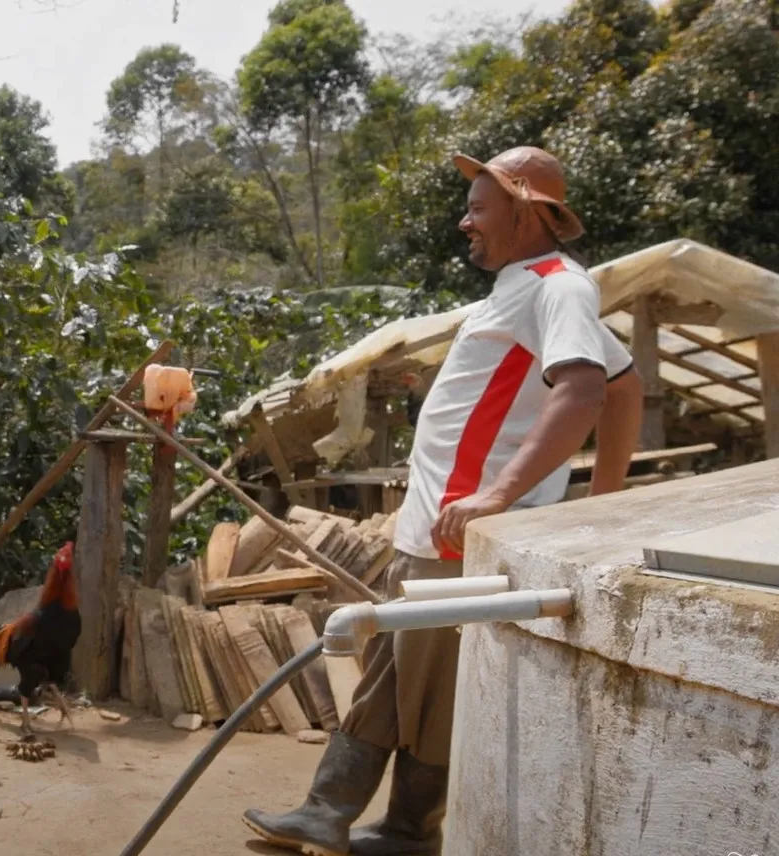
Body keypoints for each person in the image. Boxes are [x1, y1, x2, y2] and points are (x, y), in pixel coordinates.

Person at [243, 146, 642, 855]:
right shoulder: (527, 288)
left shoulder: (559, 286)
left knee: (425, 693)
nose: (466, 221)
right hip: (432, 533)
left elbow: (587, 390)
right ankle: (329, 813)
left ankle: (406, 832)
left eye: (479, 207)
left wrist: (503, 493)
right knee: (395, 680)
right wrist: (599, 501)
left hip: (461, 536)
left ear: (526, 211)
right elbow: (625, 382)